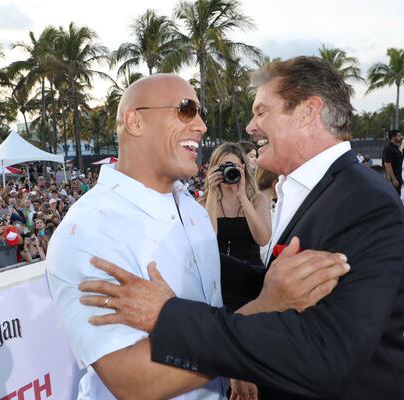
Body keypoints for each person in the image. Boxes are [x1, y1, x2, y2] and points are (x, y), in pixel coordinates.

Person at [80, 57, 404, 400]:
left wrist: (169, 316)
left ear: (308, 111)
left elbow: (329, 352)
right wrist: (192, 258)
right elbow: (280, 284)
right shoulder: (312, 190)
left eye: (261, 111)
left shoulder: (362, 200)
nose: (251, 126)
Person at [47, 73, 349, 400]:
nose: (202, 126)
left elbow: (208, 316)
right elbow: (130, 379)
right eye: (186, 110)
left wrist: (235, 367)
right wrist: (267, 306)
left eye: (201, 112)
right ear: (134, 121)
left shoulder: (191, 209)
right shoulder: (89, 232)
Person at [201, 142, 271, 310]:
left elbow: (263, 239)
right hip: (218, 280)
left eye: (233, 166)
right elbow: (208, 239)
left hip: (251, 279)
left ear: (243, 169)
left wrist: (242, 197)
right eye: (222, 167)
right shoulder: (203, 203)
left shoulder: (257, 200)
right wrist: (211, 193)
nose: (227, 171)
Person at [382, 129, 403, 195]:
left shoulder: (396, 147)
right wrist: (393, 179)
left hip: (397, 176)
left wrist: (400, 178)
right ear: (393, 137)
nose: (401, 137)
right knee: (394, 197)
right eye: (399, 136)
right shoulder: (388, 148)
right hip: (392, 179)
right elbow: (387, 164)